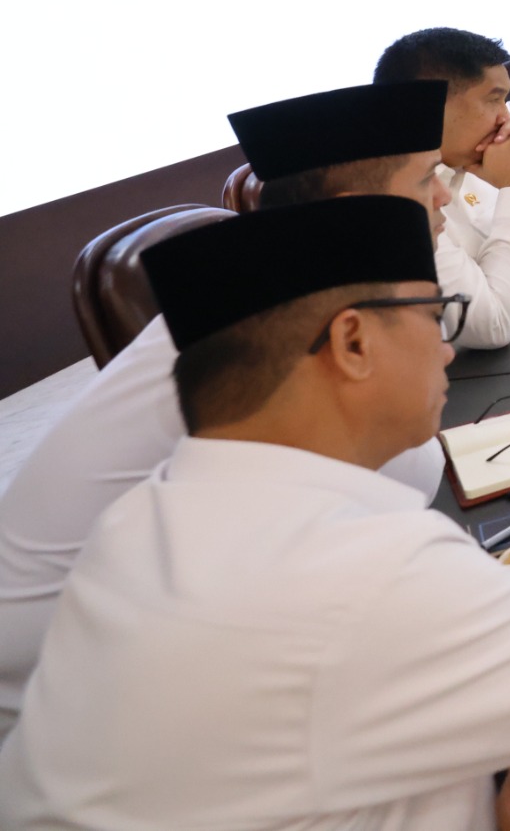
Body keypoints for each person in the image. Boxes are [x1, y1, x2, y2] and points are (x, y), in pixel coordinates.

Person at [0, 196, 510, 831]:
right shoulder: (363, 569)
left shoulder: (142, 519)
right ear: (353, 343)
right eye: (436, 317)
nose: (446, 347)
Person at [0, 82, 450, 740]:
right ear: (364, 206)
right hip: (73, 700)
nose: (445, 194)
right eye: (429, 176)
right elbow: (411, 473)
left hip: (175, 638)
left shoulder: (282, 292)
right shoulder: (275, 333)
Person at [375, 28, 510, 349]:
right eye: (494, 100)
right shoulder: (395, 195)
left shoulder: (474, 168)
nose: (506, 117)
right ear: (430, 105)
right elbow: (489, 327)